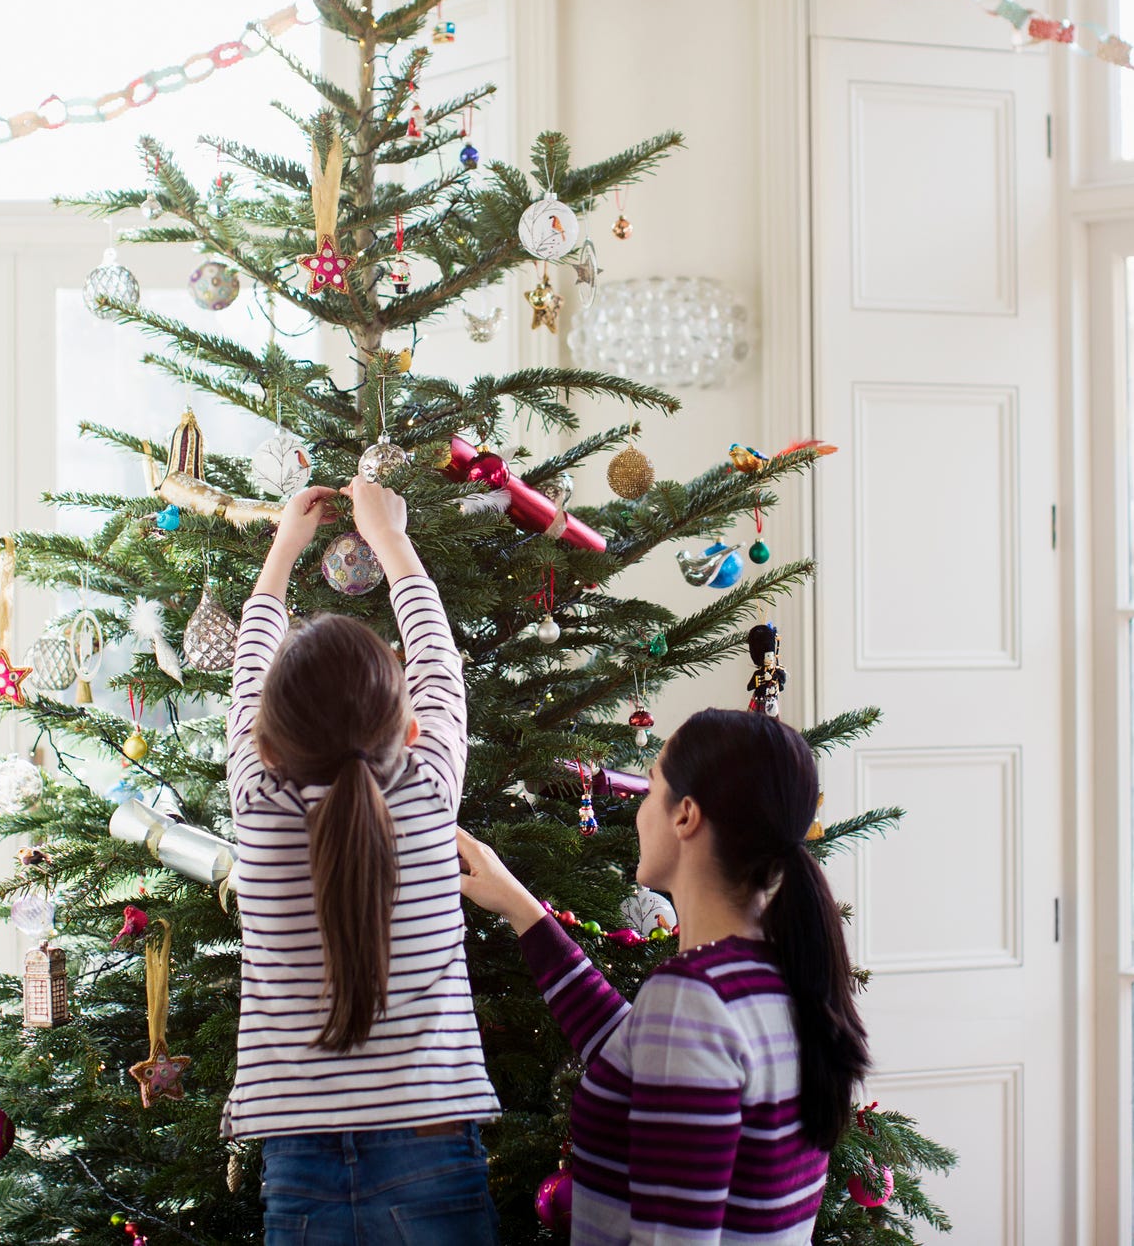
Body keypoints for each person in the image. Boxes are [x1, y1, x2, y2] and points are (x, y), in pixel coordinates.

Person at [457, 708, 869, 1244]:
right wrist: (520, 908)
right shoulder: (780, 974)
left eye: (650, 789)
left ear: (686, 816)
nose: (636, 810)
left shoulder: (694, 997)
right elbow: (628, 1047)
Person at [223, 479, 500, 1246]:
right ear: (409, 727)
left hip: (298, 1160)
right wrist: (390, 539)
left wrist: (283, 549)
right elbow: (441, 665)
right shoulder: (429, 788)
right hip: (433, 1148)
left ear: (267, 744)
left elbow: (247, 675)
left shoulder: (257, 803)